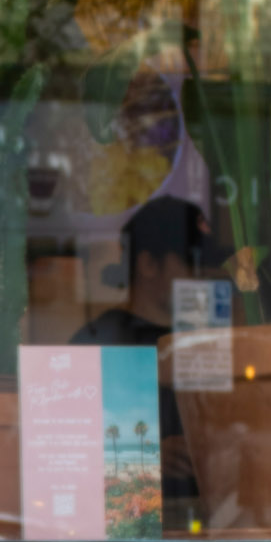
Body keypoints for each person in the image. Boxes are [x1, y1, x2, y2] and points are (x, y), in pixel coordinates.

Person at [70, 195, 220, 518]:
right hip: (126, 535)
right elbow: (64, 455)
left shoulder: (209, 345)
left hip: (212, 534)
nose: (201, 278)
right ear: (148, 264)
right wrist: (147, 460)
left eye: (204, 266)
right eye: (190, 263)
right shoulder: (100, 344)